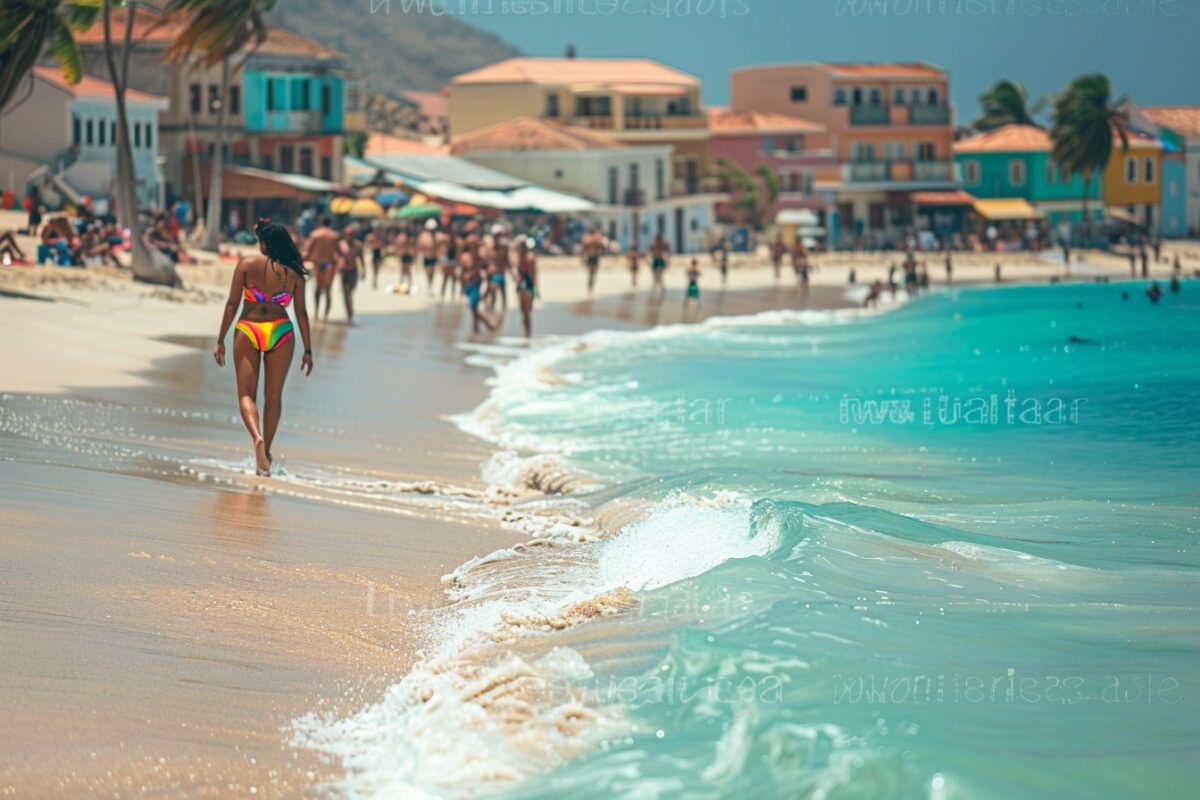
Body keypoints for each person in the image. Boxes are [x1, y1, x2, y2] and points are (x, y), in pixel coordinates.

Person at [213, 218, 313, 477]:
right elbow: (301, 313)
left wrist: (221, 338)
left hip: (249, 328)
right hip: (281, 331)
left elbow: (232, 305)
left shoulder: (246, 265)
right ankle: (266, 453)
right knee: (274, 397)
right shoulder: (293, 273)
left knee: (246, 394)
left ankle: (256, 438)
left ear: (265, 242)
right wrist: (308, 350)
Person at [302, 216, 340, 321]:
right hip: (329, 264)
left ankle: (316, 314)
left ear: (320, 223)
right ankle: (326, 316)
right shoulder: (334, 235)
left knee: (317, 289)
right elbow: (339, 252)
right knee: (327, 289)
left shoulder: (315, 234)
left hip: (318, 264)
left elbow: (307, 251)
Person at [460, 240, 493, 334]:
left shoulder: (479, 259)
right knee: (473, 309)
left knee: (473, 307)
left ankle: (479, 327)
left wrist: (487, 288)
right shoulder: (465, 257)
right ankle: (481, 326)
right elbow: (461, 273)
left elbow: (488, 271)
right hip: (468, 286)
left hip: (475, 285)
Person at [338, 225, 365, 323]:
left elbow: (361, 258)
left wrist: (364, 270)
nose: (349, 236)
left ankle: (350, 312)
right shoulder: (341, 244)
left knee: (350, 292)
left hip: (353, 270)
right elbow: (336, 256)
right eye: (348, 234)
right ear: (345, 235)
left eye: (351, 234)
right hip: (344, 271)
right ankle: (349, 313)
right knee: (347, 293)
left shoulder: (358, 245)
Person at [516, 237, 538, 338]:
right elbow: (519, 273)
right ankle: (526, 332)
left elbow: (534, 274)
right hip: (521, 284)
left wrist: (534, 289)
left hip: (528, 284)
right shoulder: (519, 258)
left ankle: (527, 333)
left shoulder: (530, 258)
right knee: (522, 310)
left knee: (527, 311)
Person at [418, 219, 438, 294]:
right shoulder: (423, 236)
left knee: (432, 272)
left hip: (433, 257)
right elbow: (420, 246)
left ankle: (430, 286)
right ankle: (429, 285)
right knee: (428, 272)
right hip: (426, 256)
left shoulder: (436, 236)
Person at [582, 228, 604, 293]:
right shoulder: (597, 237)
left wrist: (582, 257)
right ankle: (591, 286)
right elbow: (602, 246)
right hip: (595, 255)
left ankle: (590, 286)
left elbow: (584, 247)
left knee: (590, 272)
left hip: (589, 255)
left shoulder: (586, 237)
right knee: (593, 272)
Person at [366, 225, 383, 289]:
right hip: (374, 252)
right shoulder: (372, 237)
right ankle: (374, 280)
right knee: (375, 267)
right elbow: (368, 243)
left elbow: (381, 246)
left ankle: (375, 279)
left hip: (378, 252)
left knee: (377, 267)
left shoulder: (380, 237)